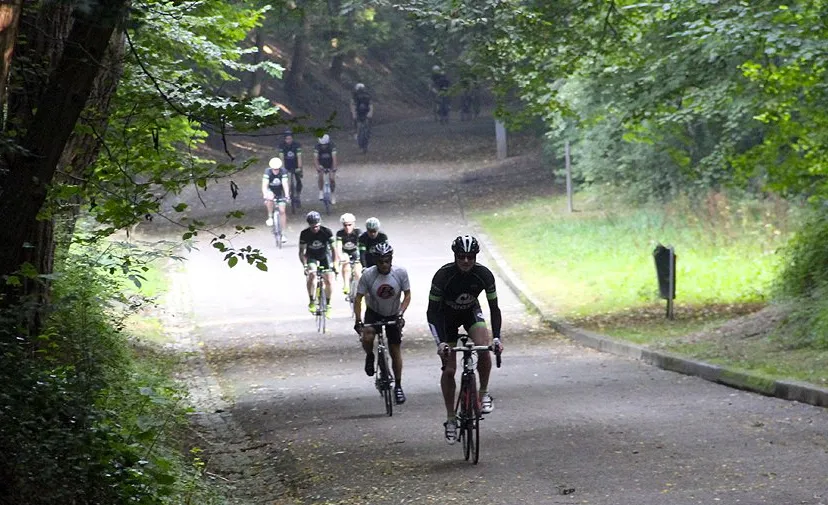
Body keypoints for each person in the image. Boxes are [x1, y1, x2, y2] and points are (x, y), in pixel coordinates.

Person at [427, 235, 503, 444]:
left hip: (470, 312)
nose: (466, 261)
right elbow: (432, 312)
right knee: (450, 370)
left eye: (470, 256)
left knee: (483, 348)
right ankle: (451, 419)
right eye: (462, 256)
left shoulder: (484, 275)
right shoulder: (443, 276)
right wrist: (440, 342)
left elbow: (494, 308)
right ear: (455, 256)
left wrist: (497, 338)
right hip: (446, 319)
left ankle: (483, 393)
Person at [353, 242, 411, 404]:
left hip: (393, 313)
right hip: (374, 313)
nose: (384, 264)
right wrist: (358, 320)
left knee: (395, 350)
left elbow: (407, 295)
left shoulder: (400, 273)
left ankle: (398, 386)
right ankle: (370, 356)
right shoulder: (368, 275)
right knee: (367, 336)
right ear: (375, 261)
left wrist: (400, 313)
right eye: (380, 261)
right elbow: (358, 298)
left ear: (391, 259)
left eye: (387, 261)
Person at [299, 211, 339, 316]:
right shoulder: (305, 234)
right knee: (312, 275)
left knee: (329, 280)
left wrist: (335, 264)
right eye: (312, 227)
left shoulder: (326, 232)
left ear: (320, 223)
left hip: (324, 256)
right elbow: (301, 252)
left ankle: (328, 304)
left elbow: (334, 249)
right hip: (311, 256)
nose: (315, 229)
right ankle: (312, 300)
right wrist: (305, 266)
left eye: (317, 226)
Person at [261, 157, 290, 243]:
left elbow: (285, 184)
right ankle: (270, 216)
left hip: (280, 191)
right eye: (274, 169)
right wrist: (265, 194)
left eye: (277, 169)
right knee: (269, 197)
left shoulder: (283, 171)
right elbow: (264, 185)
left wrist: (287, 195)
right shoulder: (267, 172)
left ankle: (283, 234)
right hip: (271, 190)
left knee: (282, 211)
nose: (276, 171)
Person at [336, 212, 362, 295]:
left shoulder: (358, 232)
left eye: (350, 225)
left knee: (358, 271)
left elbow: (360, 245)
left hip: (355, 251)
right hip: (345, 252)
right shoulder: (340, 233)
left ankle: (361, 287)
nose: (347, 227)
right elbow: (339, 247)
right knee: (346, 263)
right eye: (345, 225)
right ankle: (346, 284)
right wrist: (340, 257)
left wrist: (360, 258)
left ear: (354, 224)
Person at [277, 129, 303, 208]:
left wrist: (299, 167)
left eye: (290, 138)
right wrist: (282, 168)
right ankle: (286, 194)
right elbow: (281, 158)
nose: (288, 140)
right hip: (287, 164)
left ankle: (298, 195)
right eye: (287, 139)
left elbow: (299, 157)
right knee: (285, 181)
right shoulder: (282, 146)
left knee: (298, 179)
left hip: (295, 164)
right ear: (285, 139)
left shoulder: (297, 145)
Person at [313, 134, 338, 205]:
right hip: (321, 163)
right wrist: (317, 167)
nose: (323, 146)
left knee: (332, 179)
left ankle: (333, 194)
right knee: (320, 176)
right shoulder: (317, 147)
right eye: (322, 145)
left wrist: (334, 168)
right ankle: (321, 191)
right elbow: (315, 159)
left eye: (325, 145)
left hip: (330, 163)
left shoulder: (332, 146)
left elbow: (334, 158)